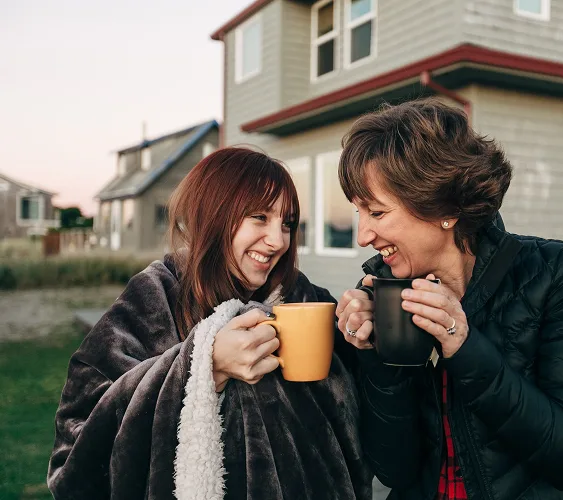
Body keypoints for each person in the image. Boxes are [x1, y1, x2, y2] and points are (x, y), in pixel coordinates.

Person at [48, 147, 371, 500]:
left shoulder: (306, 300)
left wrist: (370, 340)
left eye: (288, 223)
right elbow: (74, 456)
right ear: (213, 216)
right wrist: (203, 363)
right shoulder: (154, 299)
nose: (278, 240)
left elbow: (368, 428)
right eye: (260, 217)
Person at [336, 99, 563, 500]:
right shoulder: (384, 292)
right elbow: (395, 469)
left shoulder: (558, 274)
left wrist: (464, 348)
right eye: (358, 213)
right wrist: (376, 357)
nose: (363, 235)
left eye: (377, 213)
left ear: (444, 208)